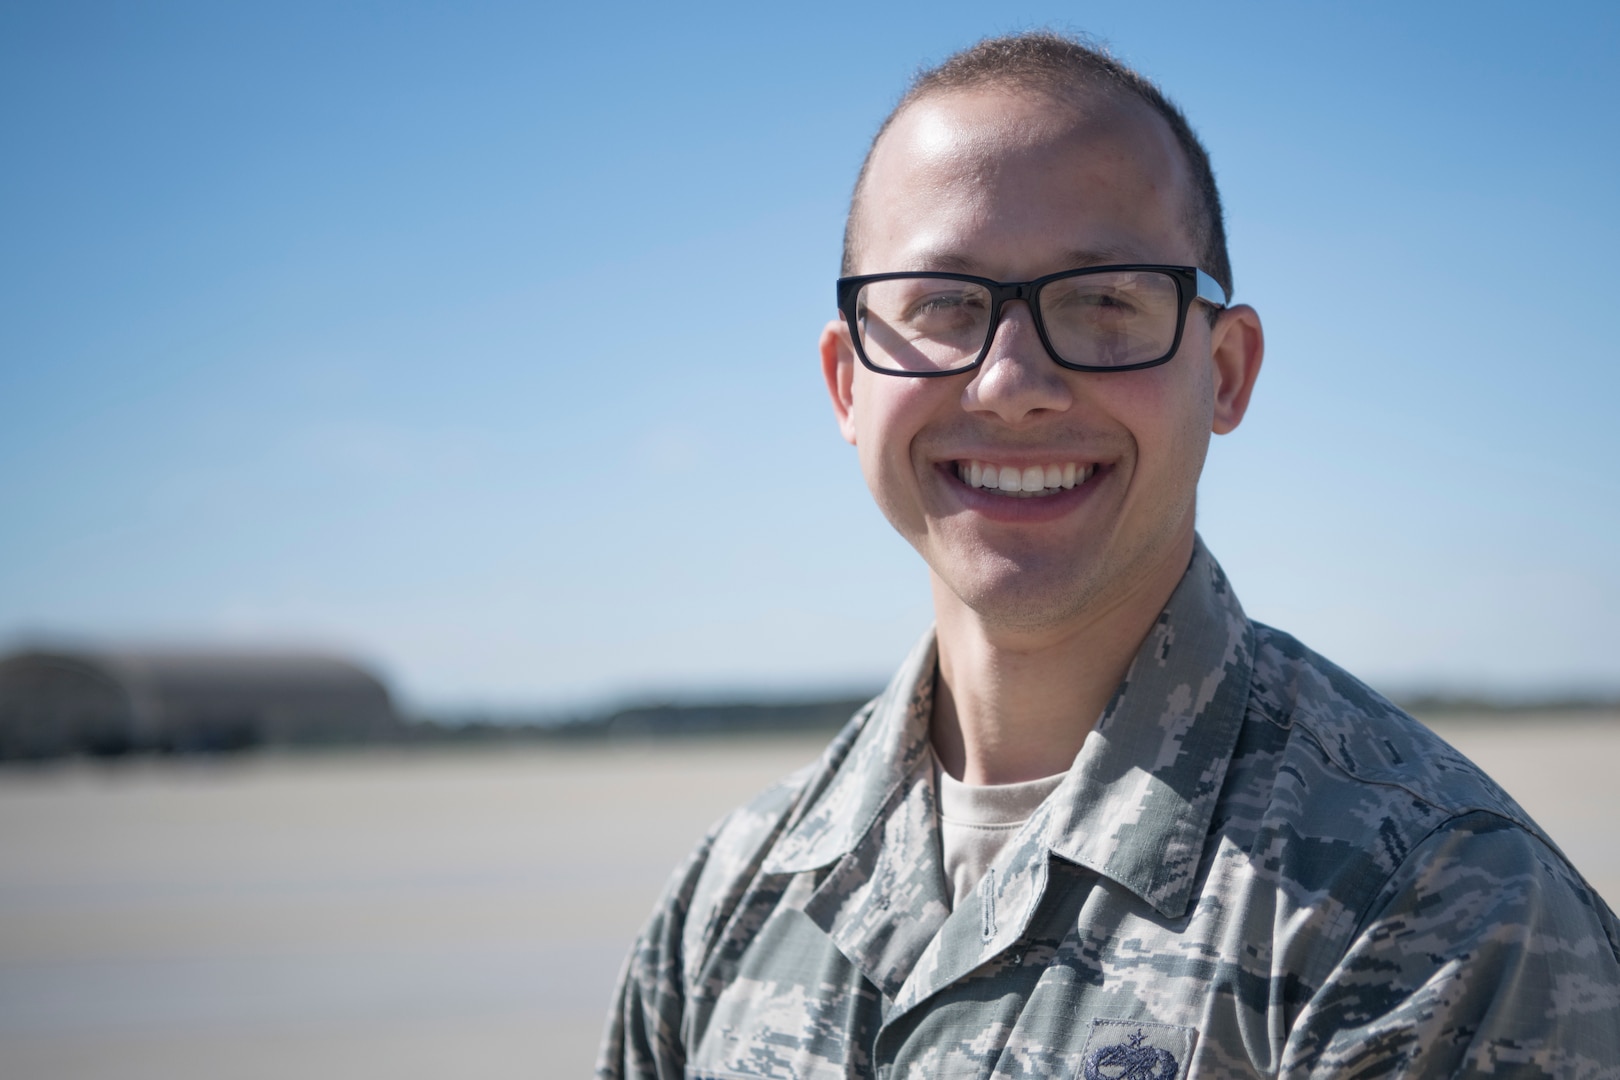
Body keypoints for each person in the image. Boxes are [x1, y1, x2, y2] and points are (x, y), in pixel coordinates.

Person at [598, 32, 1620, 1079]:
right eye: (943, 304)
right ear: (849, 385)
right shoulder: (729, 902)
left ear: (1224, 372)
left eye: (1103, 301)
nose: (1011, 382)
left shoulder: (1429, 914)